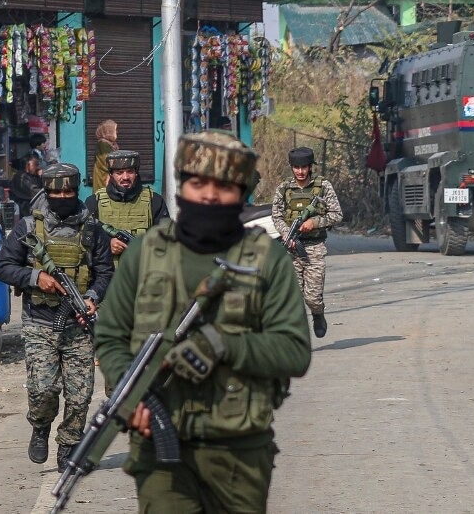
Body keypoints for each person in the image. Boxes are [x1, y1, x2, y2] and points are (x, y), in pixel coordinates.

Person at [95, 130, 312, 512]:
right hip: (158, 451)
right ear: (182, 186)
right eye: (198, 183)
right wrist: (130, 395)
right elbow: (111, 336)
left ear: (241, 191)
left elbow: (294, 351)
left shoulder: (266, 259)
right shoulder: (145, 252)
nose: (209, 195)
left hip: (238, 450)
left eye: (223, 186)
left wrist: (223, 345)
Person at [0, 162, 114, 469]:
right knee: (43, 388)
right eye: (56, 192)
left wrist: (93, 298)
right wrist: (36, 278)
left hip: (78, 325)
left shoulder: (92, 228)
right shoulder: (28, 227)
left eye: (69, 191)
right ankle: (40, 426)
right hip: (39, 321)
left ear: (77, 191)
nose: (63, 196)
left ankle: (69, 446)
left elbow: (105, 272)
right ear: (47, 193)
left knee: (80, 394)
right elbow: (2, 266)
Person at [270, 147, 343, 339]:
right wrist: (287, 234)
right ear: (291, 167)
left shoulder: (323, 186)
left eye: (304, 167)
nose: (300, 171)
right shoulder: (284, 189)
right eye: (296, 167)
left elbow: (337, 215)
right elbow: (276, 216)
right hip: (291, 249)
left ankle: (318, 315)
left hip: (315, 248)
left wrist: (315, 222)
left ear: (310, 167)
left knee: (312, 298)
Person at [84, 150, 168, 264]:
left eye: (130, 171)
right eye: (119, 172)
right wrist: (107, 244)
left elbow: (166, 240)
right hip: (106, 275)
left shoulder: (154, 201)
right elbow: (84, 240)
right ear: (111, 174)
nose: (125, 177)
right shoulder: (94, 202)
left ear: (136, 172)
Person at [92, 119, 118, 191]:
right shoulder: (103, 144)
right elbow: (107, 162)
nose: (117, 132)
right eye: (115, 130)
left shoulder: (110, 144)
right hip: (103, 179)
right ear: (109, 131)